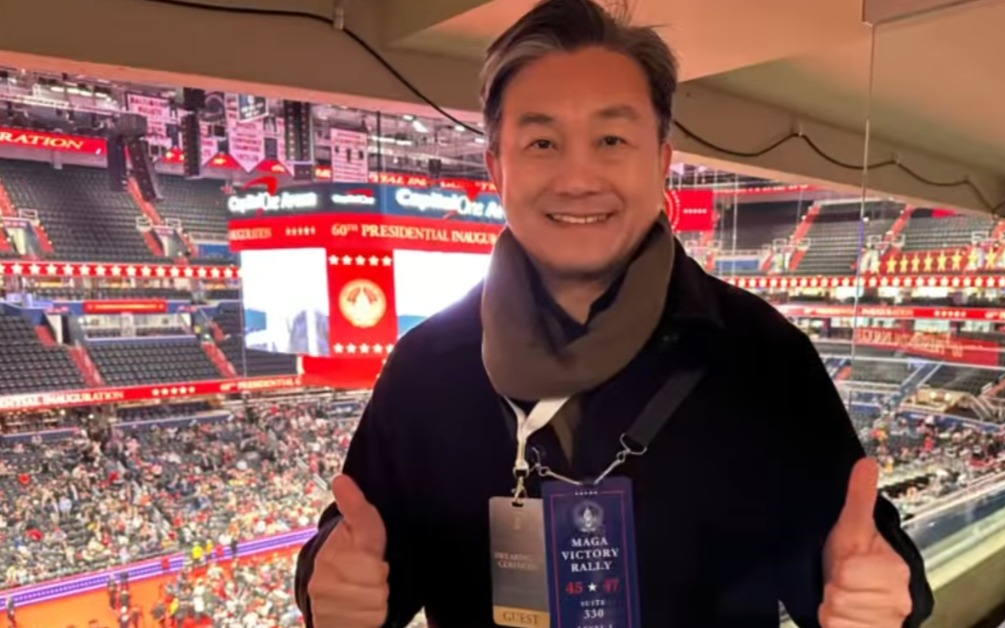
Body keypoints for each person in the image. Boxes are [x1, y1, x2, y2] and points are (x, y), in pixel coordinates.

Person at [293, 0, 933, 626]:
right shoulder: (428, 367)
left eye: (611, 139)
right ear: (497, 169)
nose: (578, 178)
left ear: (661, 162)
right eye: (542, 141)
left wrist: (879, 596)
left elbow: (862, 561)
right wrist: (332, 584)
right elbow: (360, 553)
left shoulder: (762, 357)